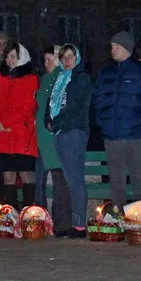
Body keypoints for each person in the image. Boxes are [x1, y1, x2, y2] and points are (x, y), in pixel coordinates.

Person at [93, 31, 141, 207]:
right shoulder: (106, 72)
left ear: (127, 48)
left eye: (116, 46)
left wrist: (137, 120)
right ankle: (119, 218)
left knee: (139, 182)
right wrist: (102, 121)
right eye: (111, 46)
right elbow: (97, 99)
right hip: (111, 136)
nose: (112, 50)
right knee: (116, 183)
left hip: (135, 136)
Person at [47, 44, 93, 239]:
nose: (67, 61)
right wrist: (48, 120)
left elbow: (74, 107)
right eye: (63, 57)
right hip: (61, 132)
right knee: (69, 178)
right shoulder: (61, 78)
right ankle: (75, 223)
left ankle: (80, 225)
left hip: (73, 131)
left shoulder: (81, 78)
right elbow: (52, 103)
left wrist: (56, 122)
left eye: (70, 56)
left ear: (77, 58)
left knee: (75, 179)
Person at [0, 41, 39, 208]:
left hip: (22, 134)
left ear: (21, 57)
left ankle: (28, 214)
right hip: (3, 135)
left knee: (26, 175)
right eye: (7, 57)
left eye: (13, 57)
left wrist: (5, 122)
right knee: (8, 176)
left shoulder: (31, 79)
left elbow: (29, 107)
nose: (9, 60)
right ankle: (12, 214)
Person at [35, 46, 69, 231]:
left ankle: (59, 222)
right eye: (45, 60)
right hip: (42, 136)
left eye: (50, 59)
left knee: (59, 180)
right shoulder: (45, 79)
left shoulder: (60, 77)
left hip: (52, 136)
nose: (46, 63)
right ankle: (40, 220)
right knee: (41, 181)